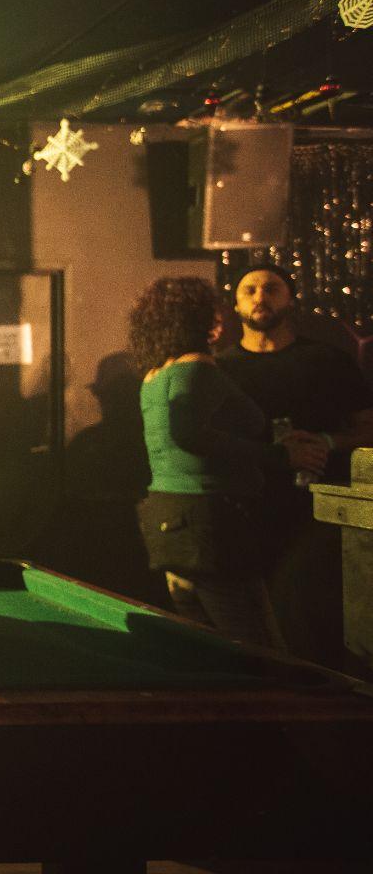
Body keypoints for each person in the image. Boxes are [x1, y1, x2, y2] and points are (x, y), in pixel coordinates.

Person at [127, 276, 326, 647]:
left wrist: (274, 438)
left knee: (205, 648)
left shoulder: (153, 376)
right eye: (211, 312)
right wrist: (280, 455)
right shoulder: (197, 366)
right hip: (210, 523)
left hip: (168, 519)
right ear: (198, 320)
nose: (219, 320)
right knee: (257, 646)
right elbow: (188, 435)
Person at [215, 262, 373, 667]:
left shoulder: (327, 361)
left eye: (271, 289)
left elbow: (368, 428)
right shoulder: (221, 369)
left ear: (291, 299)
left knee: (318, 624)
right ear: (235, 304)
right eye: (249, 290)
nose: (260, 298)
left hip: (317, 515)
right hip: (247, 514)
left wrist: (326, 441)